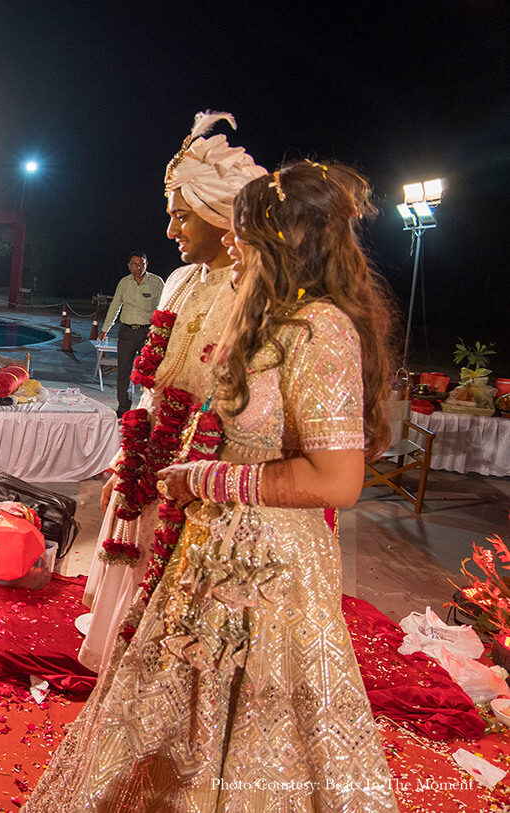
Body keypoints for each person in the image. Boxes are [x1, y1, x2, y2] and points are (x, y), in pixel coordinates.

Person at [24, 160, 397, 810]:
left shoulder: (325, 331)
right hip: (207, 559)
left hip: (274, 577)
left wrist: (212, 477)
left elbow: (339, 479)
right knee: (167, 732)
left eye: (247, 232)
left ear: (291, 240)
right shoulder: (267, 316)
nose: (234, 244)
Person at [77, 113, 265, 677]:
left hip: (209, 476)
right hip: (153, 457)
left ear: (223, 215)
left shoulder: (259, 294)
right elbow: (156, 383)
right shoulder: (179, 280)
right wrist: (129, 447)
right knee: (133, 572)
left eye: (182, 217)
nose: (170, 232)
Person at [98, 252, 164, 413]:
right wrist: (105, 329)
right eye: (134, 264)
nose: (138, 267)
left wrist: (161, 333)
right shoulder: (124, 283)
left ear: (146, 264)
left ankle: (149, 407)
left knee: (150, 371)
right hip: (127, 332)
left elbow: (162, 307)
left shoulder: (156, 282)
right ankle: (123, 408)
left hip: (147, 333)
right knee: (124, 371)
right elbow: (115, 306)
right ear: (129, 266)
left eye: (141, 264)